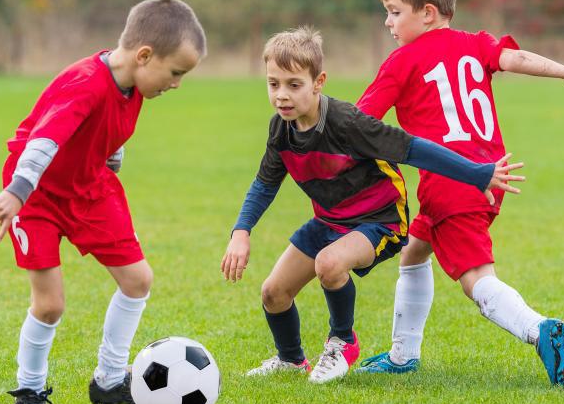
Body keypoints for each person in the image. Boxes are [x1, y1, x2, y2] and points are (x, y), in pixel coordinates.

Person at [220, 26, 524, 384]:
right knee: (273, 293)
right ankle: (290, 359)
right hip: (331, 220)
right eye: (274, 84)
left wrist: (476, 173)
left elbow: (414, 149)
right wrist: (241, 231)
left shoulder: (346, 123)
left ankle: (342, 342)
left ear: (319, 82)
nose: (282, 96)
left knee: (329, 264)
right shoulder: (281, 130)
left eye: (293, 84)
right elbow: (265, 183)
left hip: (380, 220)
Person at [353, 0, 564, 387]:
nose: (387, 22)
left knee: (477, 280)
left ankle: (538, 330)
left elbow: (359, 122)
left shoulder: (402, 61)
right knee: (413, 252)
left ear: (427, 12)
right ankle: (403, 354)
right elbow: (516, 57)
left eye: (394, 11)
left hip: (452, 182)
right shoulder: (475, 42)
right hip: (489, 174)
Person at [0, 0, 205, 404]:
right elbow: (45, 140)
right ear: (144, 55)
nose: (177, 83)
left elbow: (109, 129)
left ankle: (109, 380)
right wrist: (18, 191)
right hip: (38, 193)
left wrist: (112, 156)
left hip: (90, 188)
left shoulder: (134, 84)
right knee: (50, 304)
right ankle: (29, 391)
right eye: (176, 72)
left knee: (138, 280)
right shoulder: (85, 82)